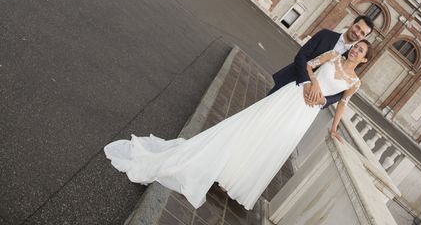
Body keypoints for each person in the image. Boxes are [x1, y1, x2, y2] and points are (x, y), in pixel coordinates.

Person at [104, 39, 373, 211]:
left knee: (270, 145)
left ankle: (232, 179)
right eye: (357, 46)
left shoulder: (354, 83)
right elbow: (309, 66)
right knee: (253, 129)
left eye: (361, 51)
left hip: (306, 114)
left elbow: (342, 105)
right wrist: (313, 84)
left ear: (363, 60)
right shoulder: (332, 56)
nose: (357, 50)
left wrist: (334, 129)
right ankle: (216, 164)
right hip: (293, 96)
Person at [269, 15, 374, 108]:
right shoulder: (325, 34)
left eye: (362, 33)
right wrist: (306, 83)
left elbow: (341, 92)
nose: (357, 32)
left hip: (310, 101)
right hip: (292, 81)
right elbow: (301, 56)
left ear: (364, 37)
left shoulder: (352, 57)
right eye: (357, 27)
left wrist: (324, 101)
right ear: (352, 23)